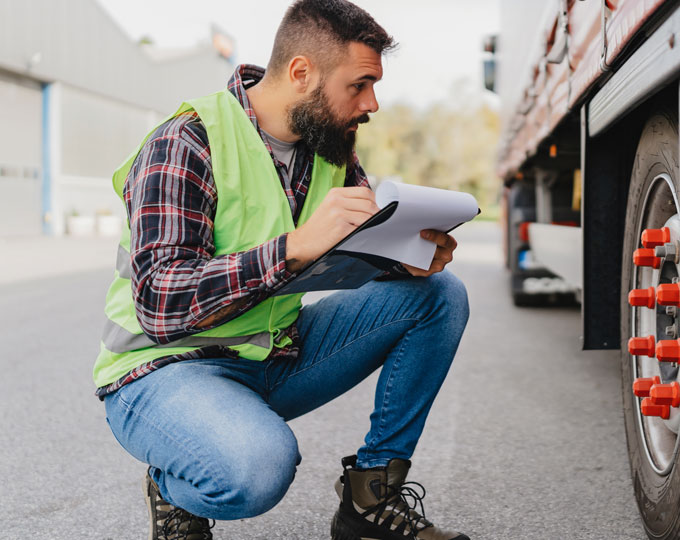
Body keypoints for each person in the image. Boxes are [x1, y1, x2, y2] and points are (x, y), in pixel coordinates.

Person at [93, 1, 470, 539]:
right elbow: (161, 303)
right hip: (162, 371)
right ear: (301, 73)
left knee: (439, 295)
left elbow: (342, 258)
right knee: (257, 470)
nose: (373, 103)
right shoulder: (185, 143)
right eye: (359, 85)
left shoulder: (330, 148)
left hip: (271, 353)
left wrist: (404, 259)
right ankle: (173, 485)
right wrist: (293, 246)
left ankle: (370, 500)